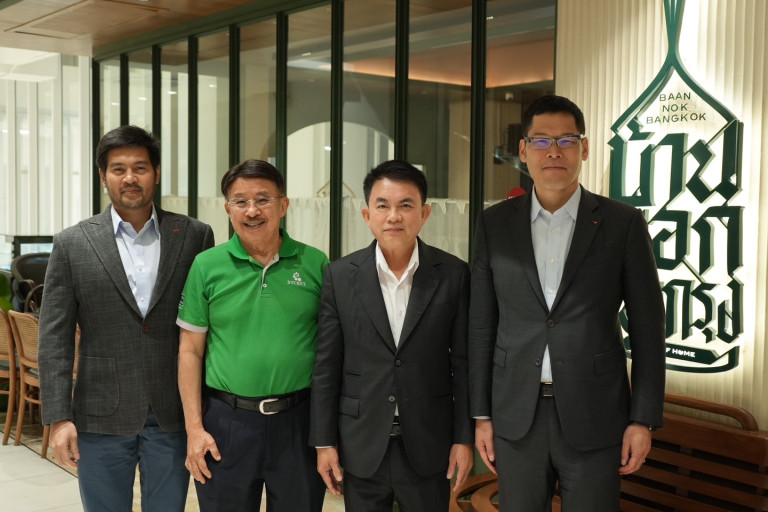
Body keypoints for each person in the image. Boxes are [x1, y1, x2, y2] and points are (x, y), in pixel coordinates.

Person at [469, 95, 666, 511]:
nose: (554, 151)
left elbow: (648, 329)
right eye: (541, 140)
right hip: (515, 416)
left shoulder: (622, 223)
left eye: (567, 140)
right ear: (523, 150)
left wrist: (643, 419)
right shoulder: (494, 224)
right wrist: (481, 415)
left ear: (585, 148)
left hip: (596, 415)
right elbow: (482, 325)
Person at [38, 125, 215, 512]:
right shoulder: (72, 243)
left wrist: (204, 414)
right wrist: (59, 418)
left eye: (140, 167)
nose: (130, 178)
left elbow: (208, 330)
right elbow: (54, 338)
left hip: (173, 411)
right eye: (118, 169)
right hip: (100, 413)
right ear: (103, 176)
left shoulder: (194, 235)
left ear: (156, 173)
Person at [310, 160, 474, 512]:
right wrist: (324, 443)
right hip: (362, 442)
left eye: (406, 205)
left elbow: (463, 366)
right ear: (367, 215)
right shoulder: (340, 276)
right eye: (382, 206)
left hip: (430, 443)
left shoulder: (454, 274)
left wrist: (464, 439)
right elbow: (326, 366)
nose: (394, 216)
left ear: (425, 213)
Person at [177, 159, 328, 512]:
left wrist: (328, 436)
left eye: (263, 199)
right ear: (228, 209)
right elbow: (190, 351)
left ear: (283, 205)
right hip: (226, 424)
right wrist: (194, 430)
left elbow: (331, 352)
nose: (252, 210)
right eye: (240, 201)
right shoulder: (206, 266)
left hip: (299, 423)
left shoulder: (315, 263)